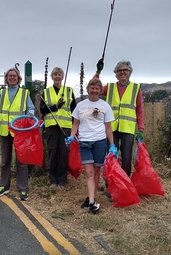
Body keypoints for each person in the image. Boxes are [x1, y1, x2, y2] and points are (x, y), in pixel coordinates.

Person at [66, 78, 116, 214]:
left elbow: (108, 127)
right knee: (89, 172)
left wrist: (112, 145)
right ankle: (93, 203)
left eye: (97, 89)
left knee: (96, 171)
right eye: (92, 88)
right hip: (84, 142)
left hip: (99, 142)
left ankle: (91, 197)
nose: (94, 91)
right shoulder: (80, 105)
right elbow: (75, 124)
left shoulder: (105, 106)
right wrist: (72, 136)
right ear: (88, 89)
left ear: (100, 91)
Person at [0, 66, 35, 201]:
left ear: (18, 78)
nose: (12, 78)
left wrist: (30, 116)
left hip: (20, 132)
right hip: (5, 131)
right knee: (5, 160)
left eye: (14, 76)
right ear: (6, 79)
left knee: (21, 160)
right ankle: (4, 185)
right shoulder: (1, 92)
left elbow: (30, 108)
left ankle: (23, 188)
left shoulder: (24, 93)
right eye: (10, 76)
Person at [99, 60, 145, 178]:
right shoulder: (109, 87)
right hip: (111, 128)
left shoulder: (136, 88)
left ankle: (125, 185)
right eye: (119, 70)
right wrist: (98, 72)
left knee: (126, 158)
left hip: (127, 128)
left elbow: (139, 109)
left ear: (130, 72)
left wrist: (140, 129)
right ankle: (111, 185)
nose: (122, 72)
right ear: (116, 73)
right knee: (111, 156)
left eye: (125, 70)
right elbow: (94, 87)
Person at [40, 67, 76, 189]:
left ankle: (62, 180)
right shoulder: (46, 92)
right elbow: (42, 110)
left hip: (65, 127)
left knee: (63, 153)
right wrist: (56, 106)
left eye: (59, 74)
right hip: (51, 126)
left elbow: (74, 110)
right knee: (52, 152)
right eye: (55, 74)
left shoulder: (69, 91)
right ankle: (53, 180)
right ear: (52, 77)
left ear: (62, 76)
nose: (57, 76)